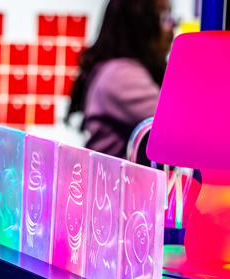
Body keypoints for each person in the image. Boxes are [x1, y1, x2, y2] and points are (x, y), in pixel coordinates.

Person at [67, 0, 175, 163]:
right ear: (139, 24)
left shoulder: (116, 70)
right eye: (164, 16)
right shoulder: (121, 75)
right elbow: (179, 126)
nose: (173, 25)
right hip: (114, 179)